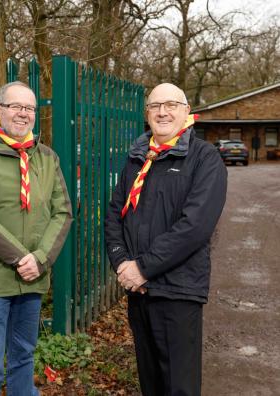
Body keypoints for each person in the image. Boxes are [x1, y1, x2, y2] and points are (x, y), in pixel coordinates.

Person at [104, 83, 227, 396]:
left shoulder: (205, 158)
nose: (163, 111)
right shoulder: (136, 158)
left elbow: (194, 227)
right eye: (155, 105)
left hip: (178, 291)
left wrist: (142, 267)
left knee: (179, 387)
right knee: (151, 384)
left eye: (172, 104)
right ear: (147, 114)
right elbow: (114, 215)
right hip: (139, 292)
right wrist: (122, 263)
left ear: (186, 112)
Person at [0, 81, 72, 396]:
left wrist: (41, 258)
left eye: (29, 108)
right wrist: (21, 257)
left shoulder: (47, 157)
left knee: (23, 357)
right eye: (15, 106)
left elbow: (63, 213)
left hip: (33, 279)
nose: (23, 114)